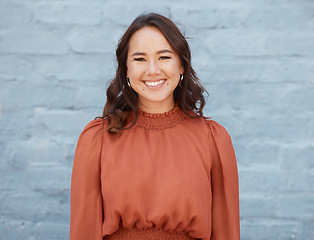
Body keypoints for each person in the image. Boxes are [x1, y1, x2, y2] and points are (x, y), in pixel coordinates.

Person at [70, 13, 240, 240]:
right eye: (140, 59)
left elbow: (226, 232)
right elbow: (83, 231)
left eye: (164, 57)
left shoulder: (213, 139)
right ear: (126, 71)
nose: (152, 70)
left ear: (182, 65)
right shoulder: (98, 138)